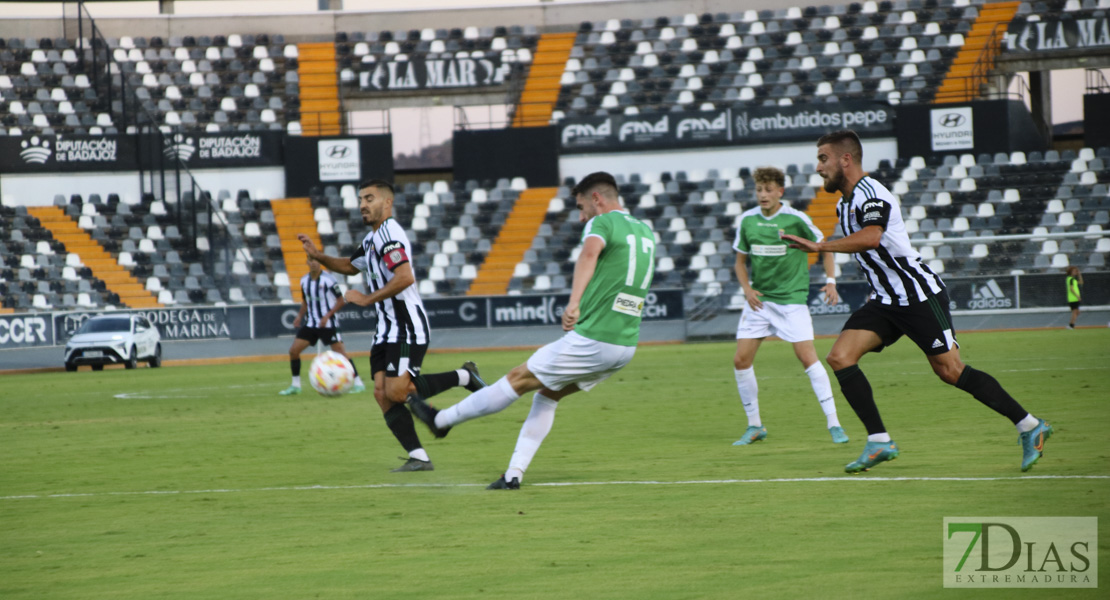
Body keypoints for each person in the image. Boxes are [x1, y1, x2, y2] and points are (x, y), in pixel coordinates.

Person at [783, 130, 1053, 473]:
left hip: (918, 294)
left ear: (845, 159)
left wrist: (820, 248)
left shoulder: (872, 192)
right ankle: (880, 441)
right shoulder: (843, 203)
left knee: (950, 370)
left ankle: (1030, 426)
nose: (818, 167)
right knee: (840, 357)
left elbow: (871, 237)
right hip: (885, 300)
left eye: (823, 158)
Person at [407, 171, 656, 490]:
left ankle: (440, 421)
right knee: (547, 395)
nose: (581, 218)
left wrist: (574, 303)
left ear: (597, 199)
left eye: (581, 208)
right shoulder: (645, 231)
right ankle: (513, 475)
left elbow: (589, 254)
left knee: (516, 379)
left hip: (595, 339)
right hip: (625, 345)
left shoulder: (602, 222)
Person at [298, 179, 487, 473]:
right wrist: (319, 256)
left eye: (370, 198)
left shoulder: (389, 234)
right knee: (382, 393)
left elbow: (405, 277)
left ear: (387, 203)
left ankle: (463, 378)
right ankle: (419, 457)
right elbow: (350, 265)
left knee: (398, 392)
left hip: (406, 325)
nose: (363, 204)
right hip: (386, 329)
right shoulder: (373, 238)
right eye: (361, 199)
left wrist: (366, 299)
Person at [731, 166, 848, 446]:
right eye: (759, 190)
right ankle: (755, 426)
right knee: (740, 360)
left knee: (808, 358)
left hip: (791, 302)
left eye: (769, 190)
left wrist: (831, 281)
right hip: (760, 303)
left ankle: (834, 423)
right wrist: (747, 289)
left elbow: (825, 246)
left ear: (780, 192)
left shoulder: (796, 219)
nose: (763, 195)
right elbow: (739, 262)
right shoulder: (747, 221)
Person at [279, 256, 367, 395]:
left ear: (319, 263)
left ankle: (358, 383)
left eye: (316, 261)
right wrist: (299, 317)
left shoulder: (329, 280)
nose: (314, 263)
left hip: (328, 324)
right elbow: (305, 302)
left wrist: (327, 316)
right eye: (311, 260)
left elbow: (340, 301)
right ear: (307, 262)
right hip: (312, 324)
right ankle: (296, 385)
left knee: (341, 355)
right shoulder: (304, 281)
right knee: (293, 351)